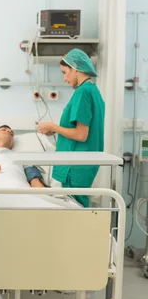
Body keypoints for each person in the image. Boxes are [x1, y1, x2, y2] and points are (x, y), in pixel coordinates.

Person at [37, 48, 105, 207]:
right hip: (82, 167)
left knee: (70, 219)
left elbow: (81, 134)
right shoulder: (93, 91)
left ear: (75, 68)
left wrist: (53, 126)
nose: (65, 78)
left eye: (65, 72)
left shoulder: (83, 92)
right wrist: (54, 129)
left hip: (72, 169)